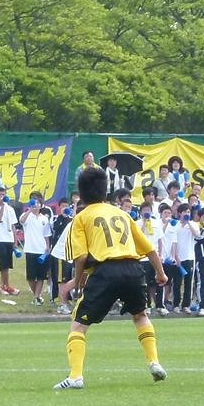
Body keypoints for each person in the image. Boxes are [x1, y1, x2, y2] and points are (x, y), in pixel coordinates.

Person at [53, 167, 168, 390]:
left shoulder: (81, 217)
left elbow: (81, 256)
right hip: (133, 269)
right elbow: (149, 249)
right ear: (105, 191)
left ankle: (75, 376)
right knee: (140, 315)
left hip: (105, 271)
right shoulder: (122, 214)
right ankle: (154, 362)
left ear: (82, 194)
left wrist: (76, 282)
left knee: (78, 325)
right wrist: (161, 273)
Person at [20, 197, 51, 305]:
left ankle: (37, 297)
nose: (36, 205)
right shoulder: (27, 216)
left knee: (41, 276)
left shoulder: (44, 219)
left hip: (41, 250)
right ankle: (37, 295)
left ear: (41, 206)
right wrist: (29, 210)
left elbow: (46, 234)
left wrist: (47, 246)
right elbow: (21, 221)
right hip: (30, 249)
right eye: (34, 203)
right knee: (31, 277)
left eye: (38, 203)